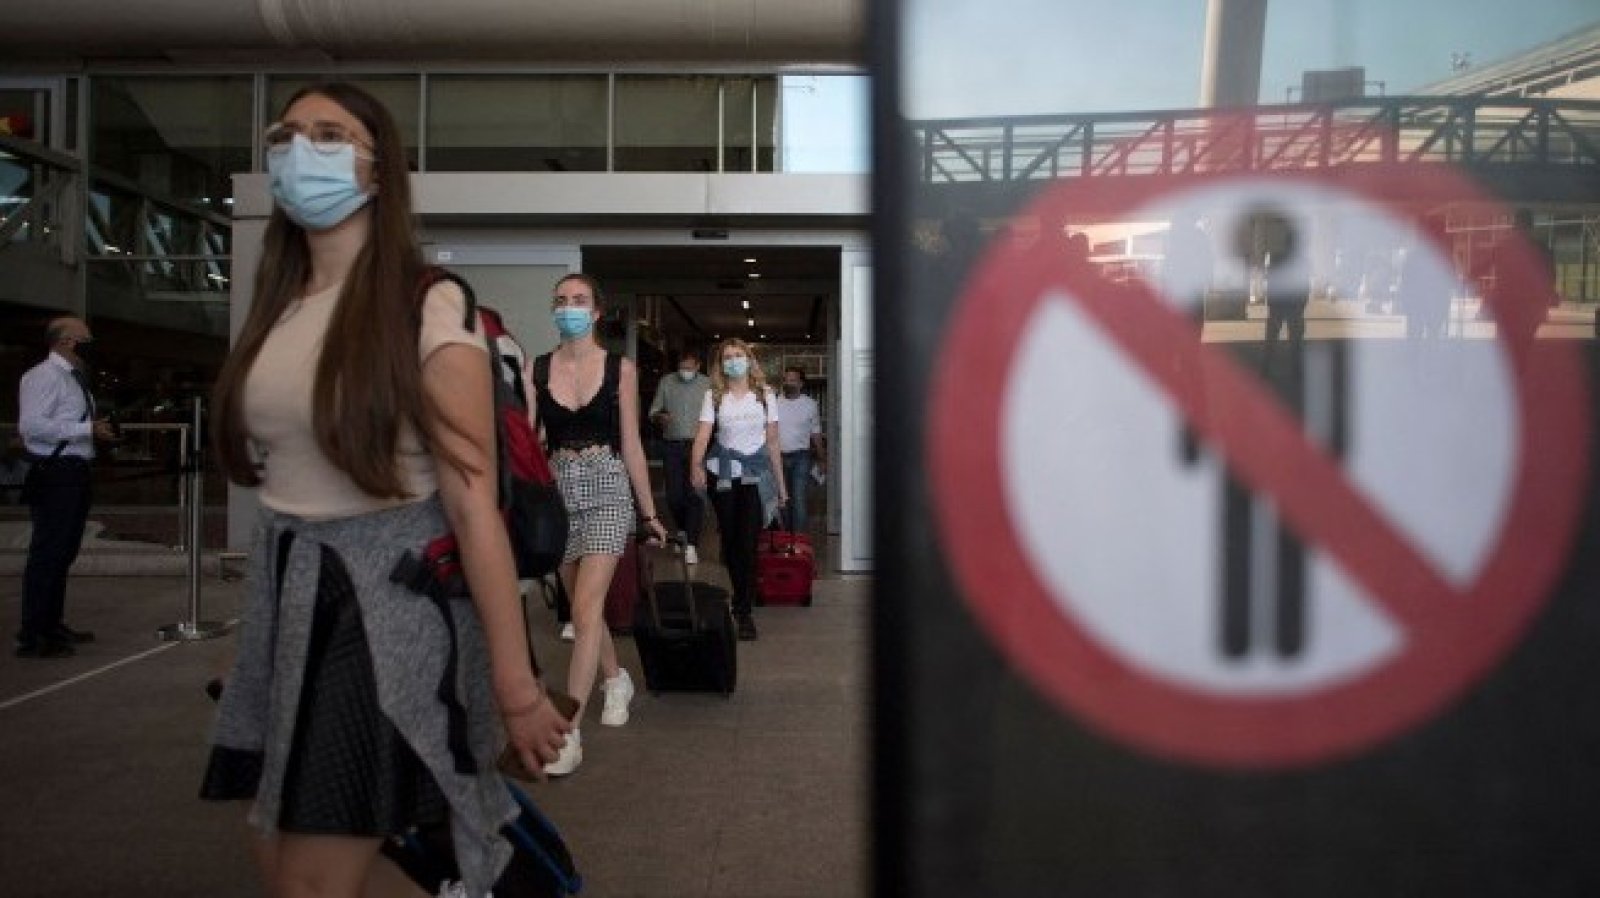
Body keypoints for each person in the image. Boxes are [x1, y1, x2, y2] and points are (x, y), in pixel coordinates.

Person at [199, 82, 571, 898]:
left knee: (311, 877)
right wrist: (265, 634)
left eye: (329, 136)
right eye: (286, 136)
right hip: (293, 591)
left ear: (377, 170)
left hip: (385, 610)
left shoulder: (429, 303)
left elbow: (473, 503)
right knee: (277, 848)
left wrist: (515, 686)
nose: (301, 151)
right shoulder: (280, 304)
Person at [532, 272, 668, 777]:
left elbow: (631, 443)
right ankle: (616, 679)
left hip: (608, 487)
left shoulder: (619, 369)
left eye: (578, 300)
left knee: (586, 608)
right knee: (582, 609)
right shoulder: (536, 368)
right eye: (560, 299)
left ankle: (567, 731)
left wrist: (648, 513)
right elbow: (531, 441)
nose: (568, 307)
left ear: (595, 312)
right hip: (558, 491)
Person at [15, 316, 116, 658]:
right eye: (85, 339)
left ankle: (51, 623)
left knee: (63, 552)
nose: (90, 345)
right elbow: (31, 426)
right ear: (65, 341)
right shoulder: (43, 377)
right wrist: (85, 430)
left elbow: (66, 422)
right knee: (48, 553)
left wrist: (93, 431)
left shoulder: (73, 378)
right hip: (56, 473)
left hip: (74, 471)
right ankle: (33, 634)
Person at [690, 339, 788, 641]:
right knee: (732, 542)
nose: (733, 361)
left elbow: (773, 442)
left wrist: (781, 486)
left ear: (749, 359)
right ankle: (741, 593)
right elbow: (703, 434)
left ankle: (743, 610)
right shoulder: (714, 396)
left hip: (755, 476)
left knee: (748, 541)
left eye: (738, 355)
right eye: (727, 357)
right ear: (721, 365)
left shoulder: (765, 395)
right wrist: (695, 465)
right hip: (723, 475)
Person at [648, 346, 711, 563]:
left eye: (689, 368)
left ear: (698, 367)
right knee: (674, 496)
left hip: (698, 445)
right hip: (672, 445)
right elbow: (653, 411)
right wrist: (660, 417)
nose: (685, 372)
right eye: (681, 368)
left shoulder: (707, 385)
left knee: (694, 494)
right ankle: (683, 530)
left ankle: (691, 544)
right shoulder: (666, 382)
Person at [774, 366, 825, 534]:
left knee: (799, 499)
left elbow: (816, 432)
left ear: (801, 383)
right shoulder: (774, 403)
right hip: (778, 457)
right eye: (786, 379)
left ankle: (798, 541)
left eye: (793, 380)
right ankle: (785, 538)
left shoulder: (810, 404)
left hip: (801, 457)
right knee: (782, 499)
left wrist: (822, 458)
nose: (788, 383)